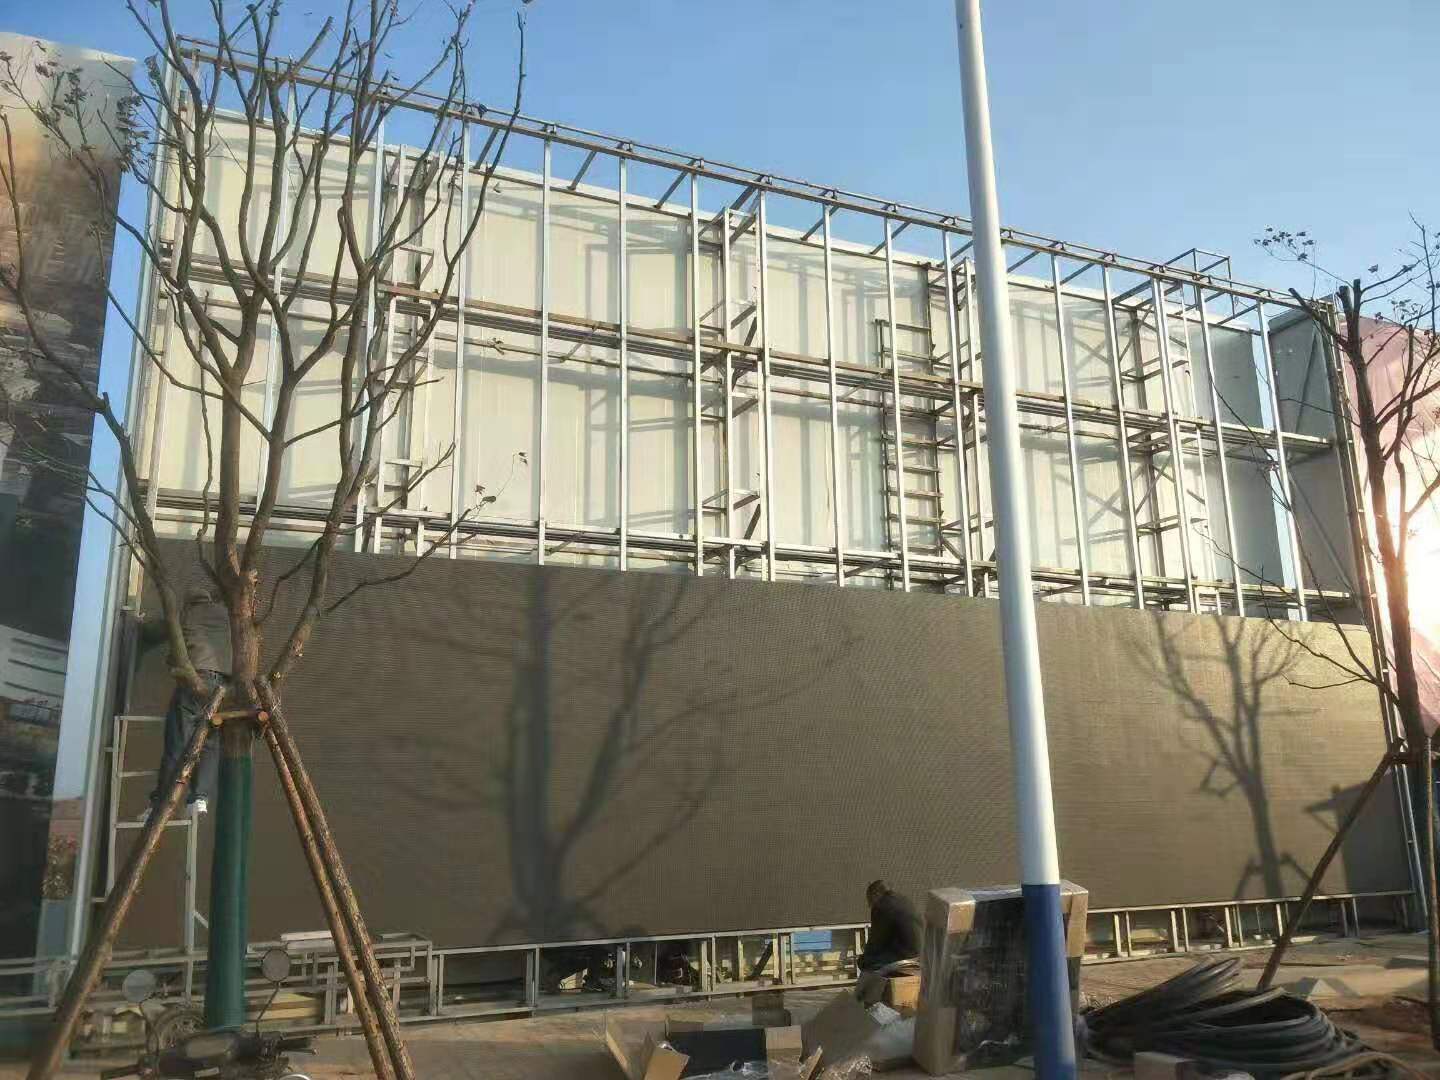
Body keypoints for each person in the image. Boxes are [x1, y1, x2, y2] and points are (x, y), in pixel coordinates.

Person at [148, 586, 231, 815]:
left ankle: (162, 801)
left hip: (196, 678)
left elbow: (170, 641)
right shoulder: (226, 615)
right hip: (222, 685)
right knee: (210, 742)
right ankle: (200, 797)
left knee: (178, 742)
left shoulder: (187, 613)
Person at [855, 879, 920, 1004]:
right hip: (917, 955)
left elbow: (876, 941)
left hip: (902, 957)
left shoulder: (881, 906)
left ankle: (862, 1002)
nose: (869, 905)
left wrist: (863, 960)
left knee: (868, 964)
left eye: (869, 900)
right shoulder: (905, 900)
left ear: (876, 894)